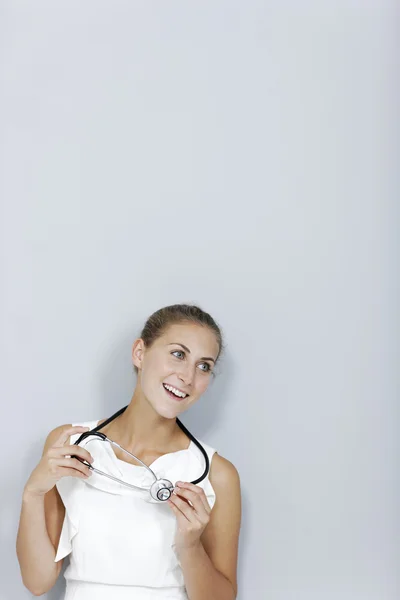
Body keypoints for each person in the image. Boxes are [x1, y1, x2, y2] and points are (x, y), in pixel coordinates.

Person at [16, 304, 241, 600]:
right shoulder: (71, 444)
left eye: (204, 366)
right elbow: (38, 582)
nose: (188, 376)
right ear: (139, 353)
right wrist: (33, 492)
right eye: (178, 354)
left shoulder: (217, 474)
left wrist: (190, 545)